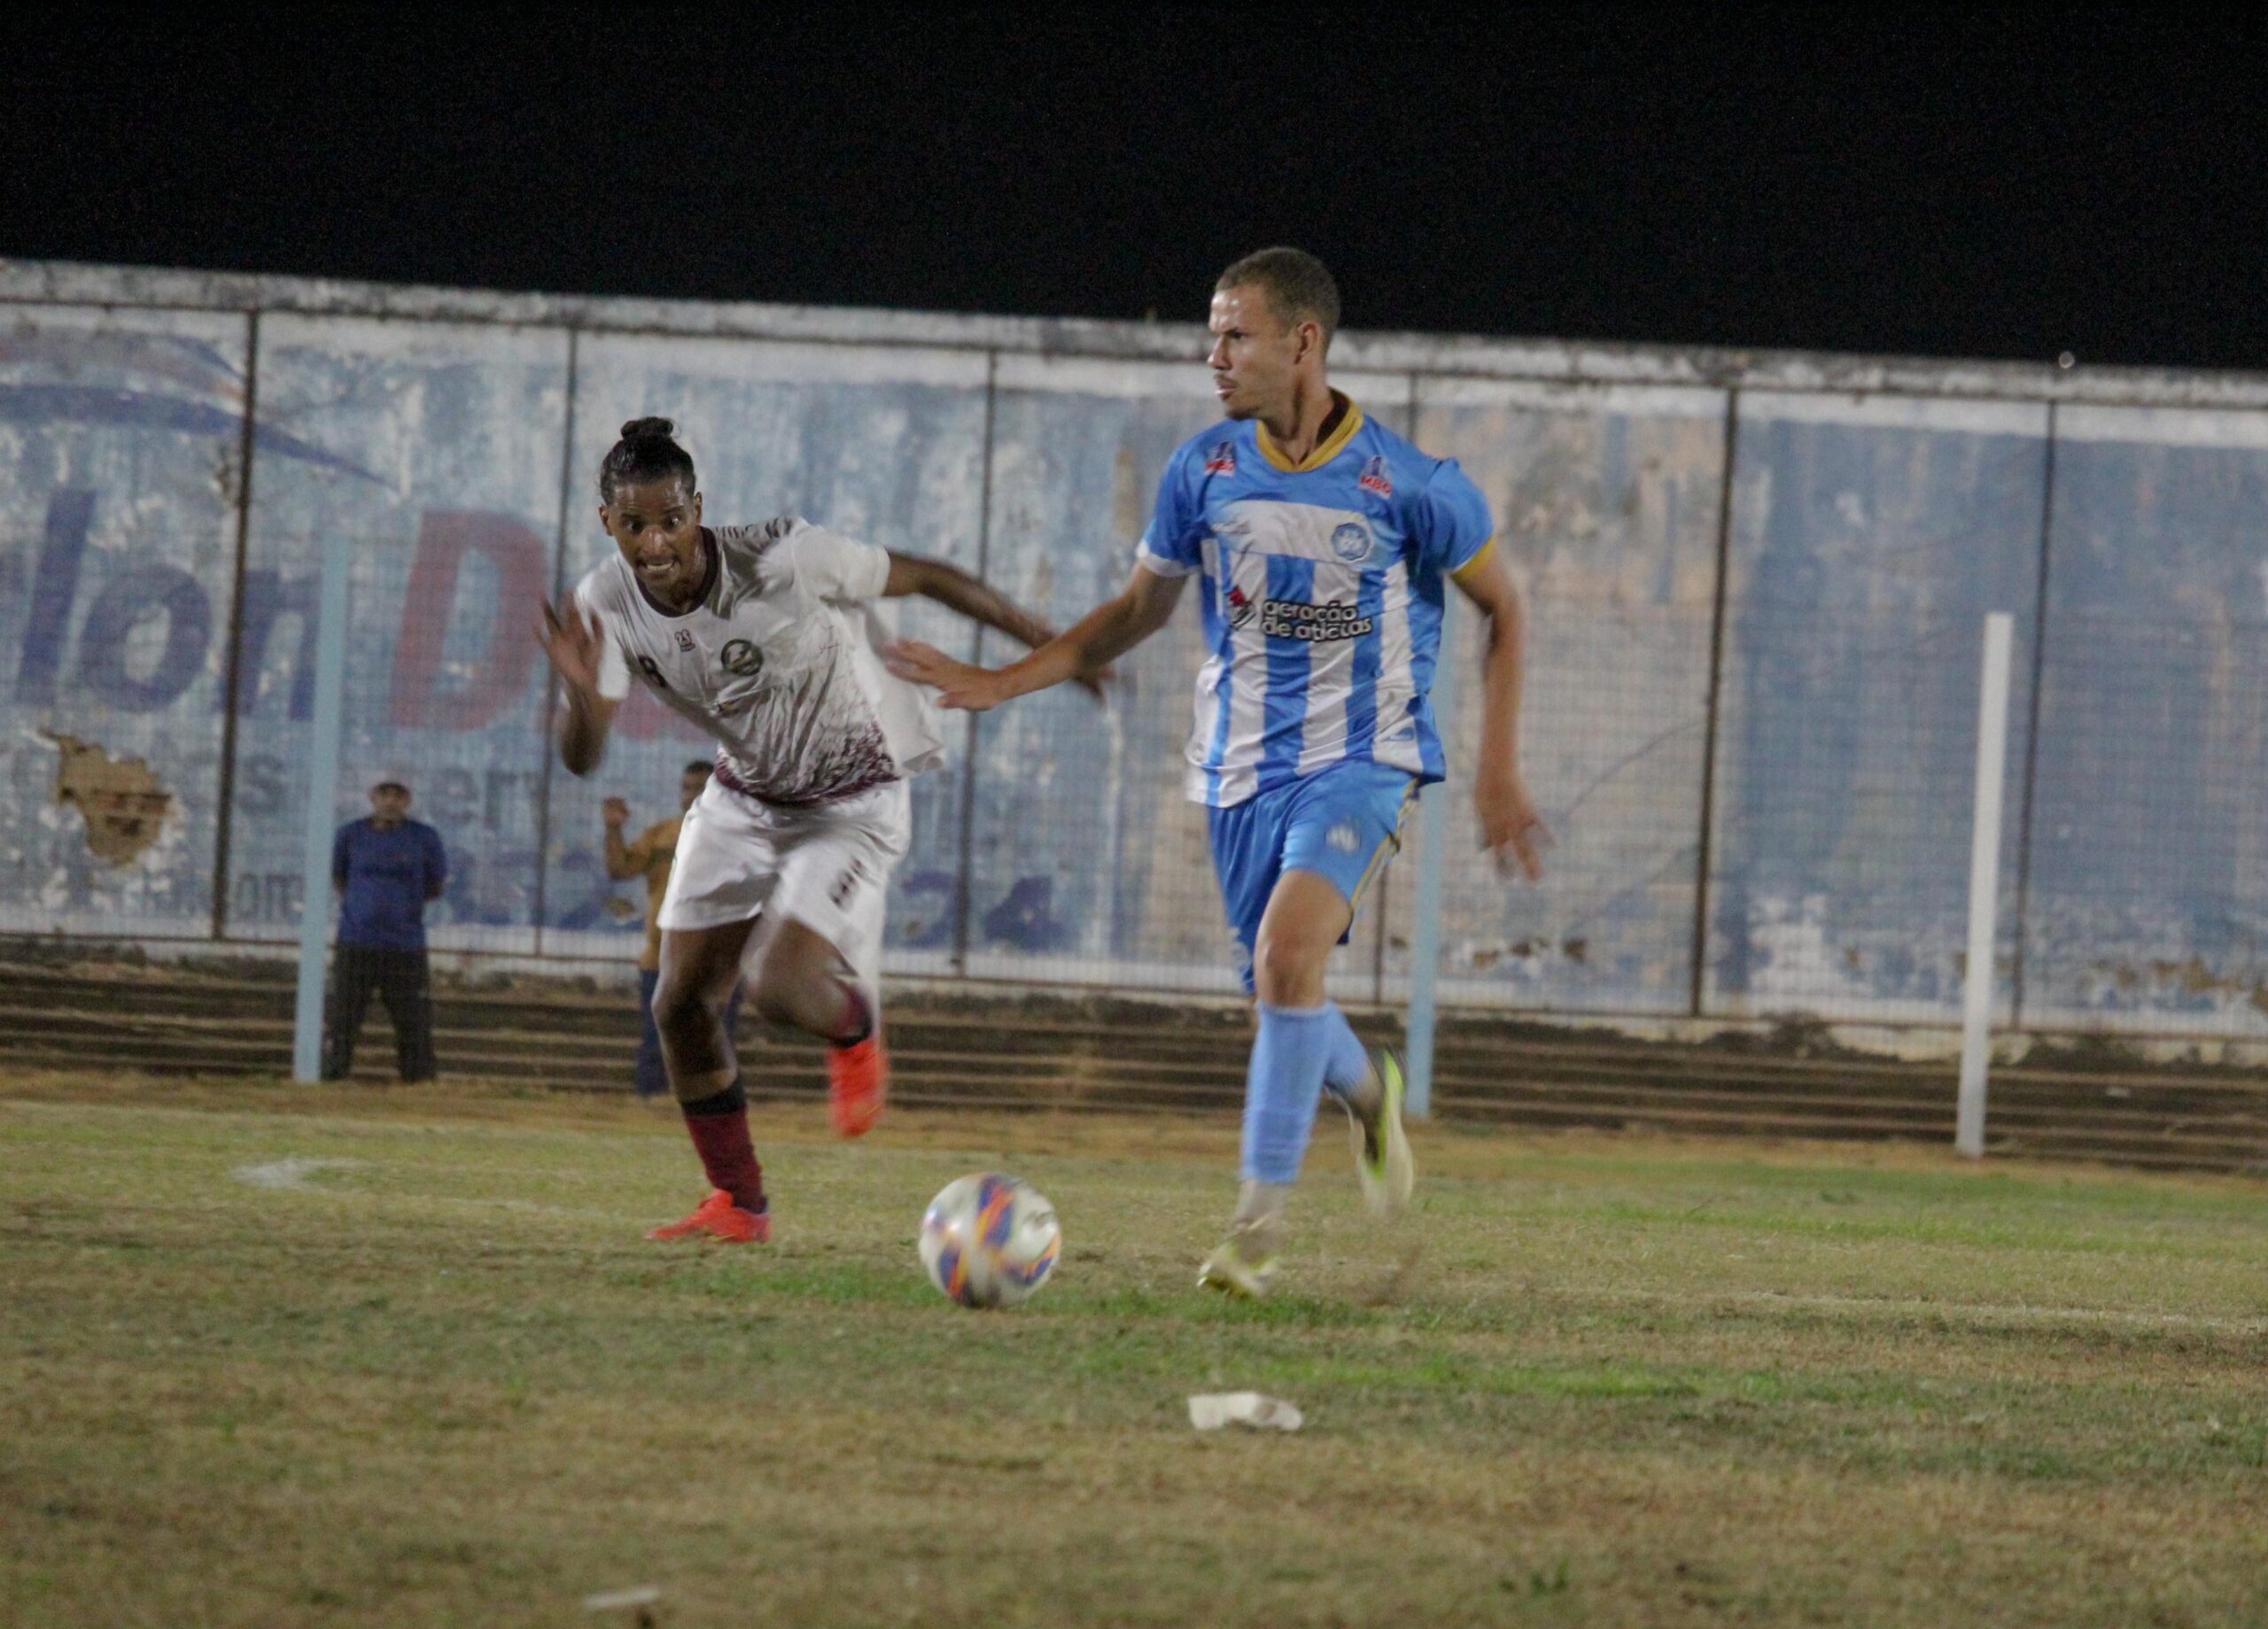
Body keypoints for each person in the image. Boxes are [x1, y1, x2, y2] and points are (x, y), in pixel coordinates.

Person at [888, 248, 1549, 1298]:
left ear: (1304, 343)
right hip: (1237, 773)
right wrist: (1002, 681)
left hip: (1360, 765)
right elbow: (1132, 613)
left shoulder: (1409, 485)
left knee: (1290, 963)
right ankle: (1368, 1089)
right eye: (1211, 334)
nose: (1215, 356)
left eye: (1235, 334)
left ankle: (1255, 1230)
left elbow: (1505, 609)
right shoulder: (1203, 471)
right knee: (1284, 994)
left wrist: (1497, 772)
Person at [538, 417, 1076, 1245]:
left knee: (781, 985)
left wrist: (1054, 646)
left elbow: (927, 576)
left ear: (699, 511)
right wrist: (578, 694)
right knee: (679, 1003)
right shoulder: (601, 603)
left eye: (672, 519)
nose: (656, 542)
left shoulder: (783, 556)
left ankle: (855, 1027)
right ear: (607, 522)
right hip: (743, 797)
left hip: (851, 796)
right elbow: (581, 756)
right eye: (636, 524)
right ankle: (739, 1204)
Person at [605, 760, 742, 1099]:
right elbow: (620, 869)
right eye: (687, 787)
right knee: (657, 1040)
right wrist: (613, 829)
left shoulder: (741, 841)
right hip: (661, 962)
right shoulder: (661, 836)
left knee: (716, 1045)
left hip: (717, 965)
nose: (692, 795)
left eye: (702, 787)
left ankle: (714, 1111)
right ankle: (652, 1104)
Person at [322, 775, 448, 1083]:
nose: (391, 801)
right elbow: (339, 878)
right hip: (357, 941)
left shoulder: (424, 838)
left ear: (407, 801)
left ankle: (418, 1082)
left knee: (413, 1018)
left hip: (405, 945)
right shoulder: (350, 835)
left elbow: (435, 885)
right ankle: (332, 1076)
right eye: (384, 794)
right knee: (344, 1015)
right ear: (373, 797)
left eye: (398, 795)